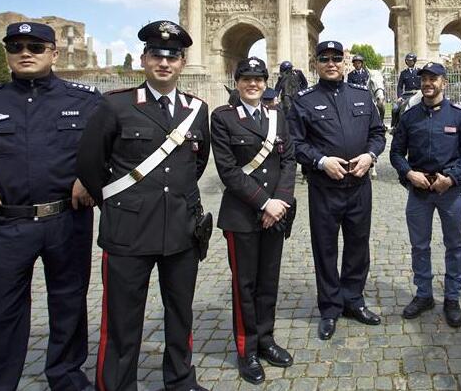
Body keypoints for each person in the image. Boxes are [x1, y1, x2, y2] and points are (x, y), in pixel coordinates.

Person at [0, 21, 100, 391]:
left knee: (69, 307)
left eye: (36, 46)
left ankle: (67, 378)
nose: (26, 52)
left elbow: (116, 146)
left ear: (54, 54)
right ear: (7, 53)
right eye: (17, 46)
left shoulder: (85, 101)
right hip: (6, 223)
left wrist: (92, 177)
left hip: (66, 220)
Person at [77, 20, 211, 391]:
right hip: (128, 231)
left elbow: (196, 165)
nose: (164, 63)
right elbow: (90, 165)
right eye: (157, 55)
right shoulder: (115, 105)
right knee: (122, 320)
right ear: (144, 59)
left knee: (180, 313)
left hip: (181, 231)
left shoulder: (196, 109)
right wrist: (122, 205)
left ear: (183, 62)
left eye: (173, 56)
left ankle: (180, 380)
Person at [287, 40, 387, 341]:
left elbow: (378, 134)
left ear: (344, 62)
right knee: (326, 248)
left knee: (358, 246)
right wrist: (320, 161)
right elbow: (295, 143)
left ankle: (353, 300)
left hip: (358, 185)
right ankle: (330, 308)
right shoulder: (303, 100)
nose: (331, 63)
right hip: (324, 188)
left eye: (335, 58)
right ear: (315, 63)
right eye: (324, 58)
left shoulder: (361, 95)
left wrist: (370, 156)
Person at [211, 57, 296, 385]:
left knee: (268, 282)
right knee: (244, 285)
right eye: (246, 78)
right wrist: (264, 202)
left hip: (275, 213)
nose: (253, 84)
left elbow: (288, 160)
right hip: (242, 215)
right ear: (237, 82)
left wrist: (280, 202)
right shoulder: (222, 119)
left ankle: (266, 340)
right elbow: (228, 170)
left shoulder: (278, 115)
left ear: (265, 82)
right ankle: (246, 349)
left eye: (259, 79)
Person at [390, 62, 461, 327]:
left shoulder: (459, 116)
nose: (428, 83)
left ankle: (452, 298)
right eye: (424, 79)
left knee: (454, 246)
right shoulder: (409, 117)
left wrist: (451, 178)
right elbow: (396, 153)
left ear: (444, 82)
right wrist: (408, 173)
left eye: (433, 78)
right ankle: (424, 294)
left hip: (449, 190)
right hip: (418, 190)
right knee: (419, 246)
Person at [393, 53, 421, 130]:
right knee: (395, 108)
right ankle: (395, 126)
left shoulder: (420, 71)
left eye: (411, 61)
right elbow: (400, 86)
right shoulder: (403, 73)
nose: (409, 62)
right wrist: (399, 97)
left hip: (418, 94)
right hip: (407, 95)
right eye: (407, 61)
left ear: (414, 61)